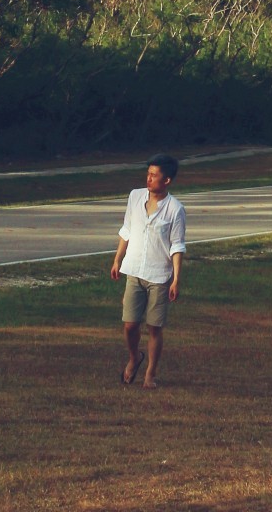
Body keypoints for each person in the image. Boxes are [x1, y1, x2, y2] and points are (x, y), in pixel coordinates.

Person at [111, 153, 187, 389]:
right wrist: (117, 260)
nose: (149, 179)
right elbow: (127, 230)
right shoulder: (135, 197)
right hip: (134, 269)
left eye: (154, 175)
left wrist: (176, 278)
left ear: (166, 181)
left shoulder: (175, 209)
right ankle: (135, 357)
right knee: (130, 324)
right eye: (148, 174)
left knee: (154, 326)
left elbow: (177, 245)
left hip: (159, 275)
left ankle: (150, 374)